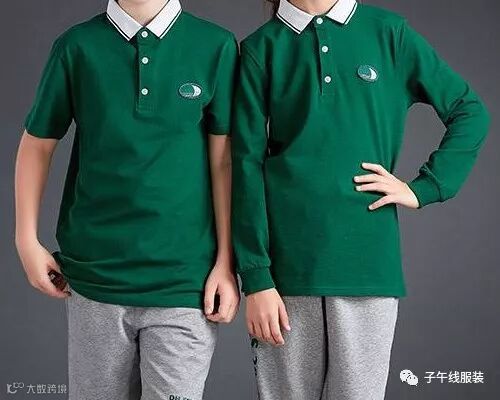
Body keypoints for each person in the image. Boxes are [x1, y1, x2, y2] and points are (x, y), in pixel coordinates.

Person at [231, 0, 490, 399]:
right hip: (285, 274)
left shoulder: (389, 33)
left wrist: (424, 187)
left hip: (367, 266)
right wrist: (256, 278)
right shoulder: (260, 47)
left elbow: (469, 110)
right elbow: (244, 166)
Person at [15, 1, 239, 399]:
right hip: (95, 279)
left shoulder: (216, 46)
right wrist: (25, 239)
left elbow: (223, 161)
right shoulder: (76, 47)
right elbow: (37, 144)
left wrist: (226, 262)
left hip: (185, 282)